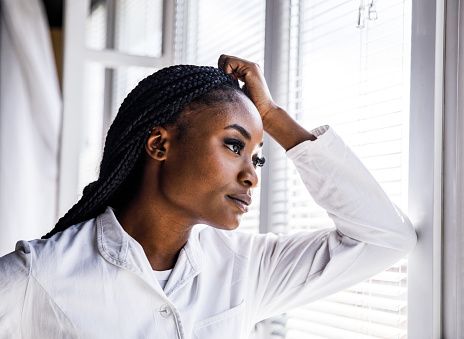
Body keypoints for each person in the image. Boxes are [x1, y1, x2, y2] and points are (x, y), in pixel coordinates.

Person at [0, 55, 416, 338]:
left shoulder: (246, 267)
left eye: (258, 158)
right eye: (234, 146)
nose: (251, 176)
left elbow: (385, 239)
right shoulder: (38, 275)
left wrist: (274, 119)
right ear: (160, 145)